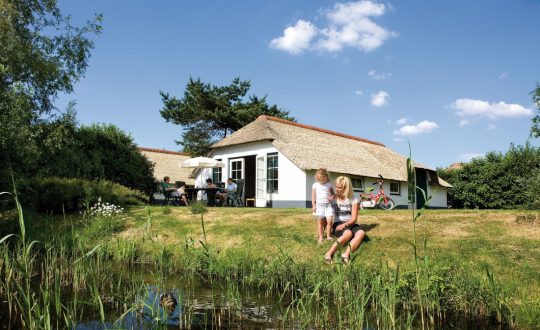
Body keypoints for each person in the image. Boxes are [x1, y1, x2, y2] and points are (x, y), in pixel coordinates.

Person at [324, 176, 365, 264]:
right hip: (338, 223)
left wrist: (345, 225)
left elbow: (354, 219)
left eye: (339, 187)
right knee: (348, 233)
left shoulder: (354, 199)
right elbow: (325, 212)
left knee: (361, 233)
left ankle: (346, 255)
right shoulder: (333, 198)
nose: (337, 189)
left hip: (350, 223)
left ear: (346, 188)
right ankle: (328, 254)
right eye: (336, 186)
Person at [311, 168, 335, 243]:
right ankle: (321, 237)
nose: (322, 181)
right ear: (317, 178)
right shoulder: (315, 185)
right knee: (320, 221)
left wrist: (332, 197)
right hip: (319, 206)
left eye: (323, 179)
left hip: (328, 205)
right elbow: (313, 196)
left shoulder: (329, 184)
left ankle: (328, 236)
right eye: (320, 179)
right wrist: (313, 205)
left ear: (326, 177)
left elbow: (333, 194)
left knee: (329, 220)